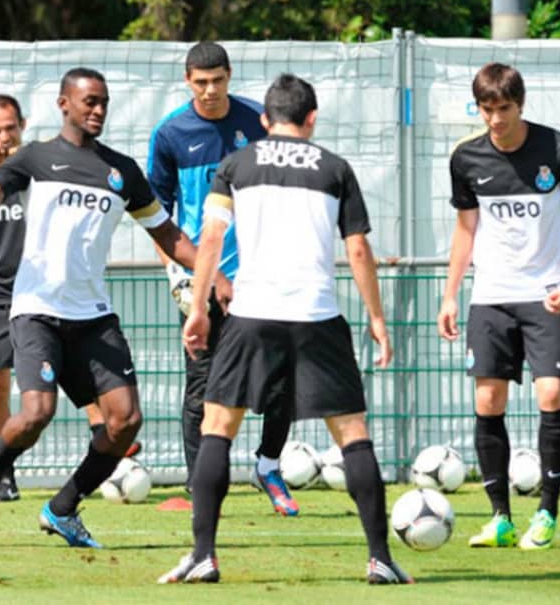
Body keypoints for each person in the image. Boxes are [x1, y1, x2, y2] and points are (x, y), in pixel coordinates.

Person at [0, 67, 226, 548]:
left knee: (125, 421)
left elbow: (168, 235)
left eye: (103, 102)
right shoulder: (34, 158)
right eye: (89, 102)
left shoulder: (121, 172)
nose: (97, 110)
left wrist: (216, 275)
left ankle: (63, 508)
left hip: (92, 315)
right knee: (36, 413)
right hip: (36, 309)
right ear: (64, 104)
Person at [159, 74, 412, 584]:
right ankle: (380, 559)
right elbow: (357, 248)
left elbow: (210, 240)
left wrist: (199, 309)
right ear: (312, 118)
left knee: (217, 427)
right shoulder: (335, 168)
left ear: (263, 121)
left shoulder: (237, 164)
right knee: (352, 435)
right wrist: (378, 319)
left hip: (252, 313)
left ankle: (203, 555)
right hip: (318, 316)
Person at [0, 95, 139, 502]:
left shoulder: (41, 172)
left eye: (9, 127)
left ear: (23, 125)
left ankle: (110, 448)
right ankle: (2, 475)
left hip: (46, 295)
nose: (3, 136)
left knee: (72, 388)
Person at [147, 41, 296, 515]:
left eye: (218, 80)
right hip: (203, 281)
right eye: (200, 82)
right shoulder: (170, 134)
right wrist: (181, 274)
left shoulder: (258, 123)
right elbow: (156, 215)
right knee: (203, 387)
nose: (210, 91)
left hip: (261, 279)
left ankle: (268, 467)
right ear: (188, 81)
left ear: (229, 76)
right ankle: (200, 488)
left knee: (280, 383)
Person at [438, 62, 560, 551]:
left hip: (549, 292)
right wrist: (450, 294)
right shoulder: (466, 158)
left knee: (551, 393)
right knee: (487, 402)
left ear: (521, 105)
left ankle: (548, 513)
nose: (495, 119)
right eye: (487, 109)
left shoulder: (557, 150)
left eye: (504, 109)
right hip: (491, 294)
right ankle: (500, 519)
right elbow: (466, 229)